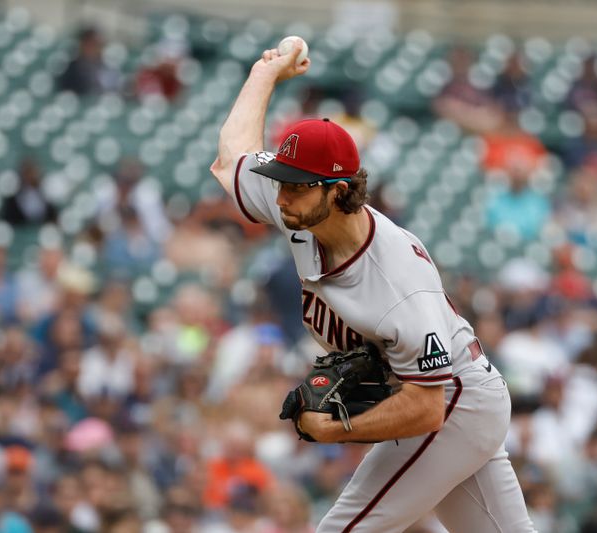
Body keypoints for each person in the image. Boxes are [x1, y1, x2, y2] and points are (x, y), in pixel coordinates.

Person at [209, 41, 536, 532]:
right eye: (280, 181)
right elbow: (232, 155)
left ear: (338, 191)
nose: (281, 196)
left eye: (295, 185)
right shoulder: (301, 209)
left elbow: (426, 409)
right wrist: (267, 72)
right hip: (453, 397)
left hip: (452, 402)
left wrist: (339, 427)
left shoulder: (397, 283)